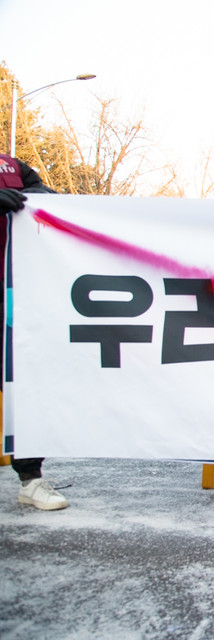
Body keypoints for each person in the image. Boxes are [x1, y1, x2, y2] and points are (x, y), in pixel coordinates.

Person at [0, 153, 67, 511]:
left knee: (22, 381)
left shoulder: (10, 165)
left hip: (13, 289)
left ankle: (31, 479)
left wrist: (41, 198)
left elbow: (38, 189)